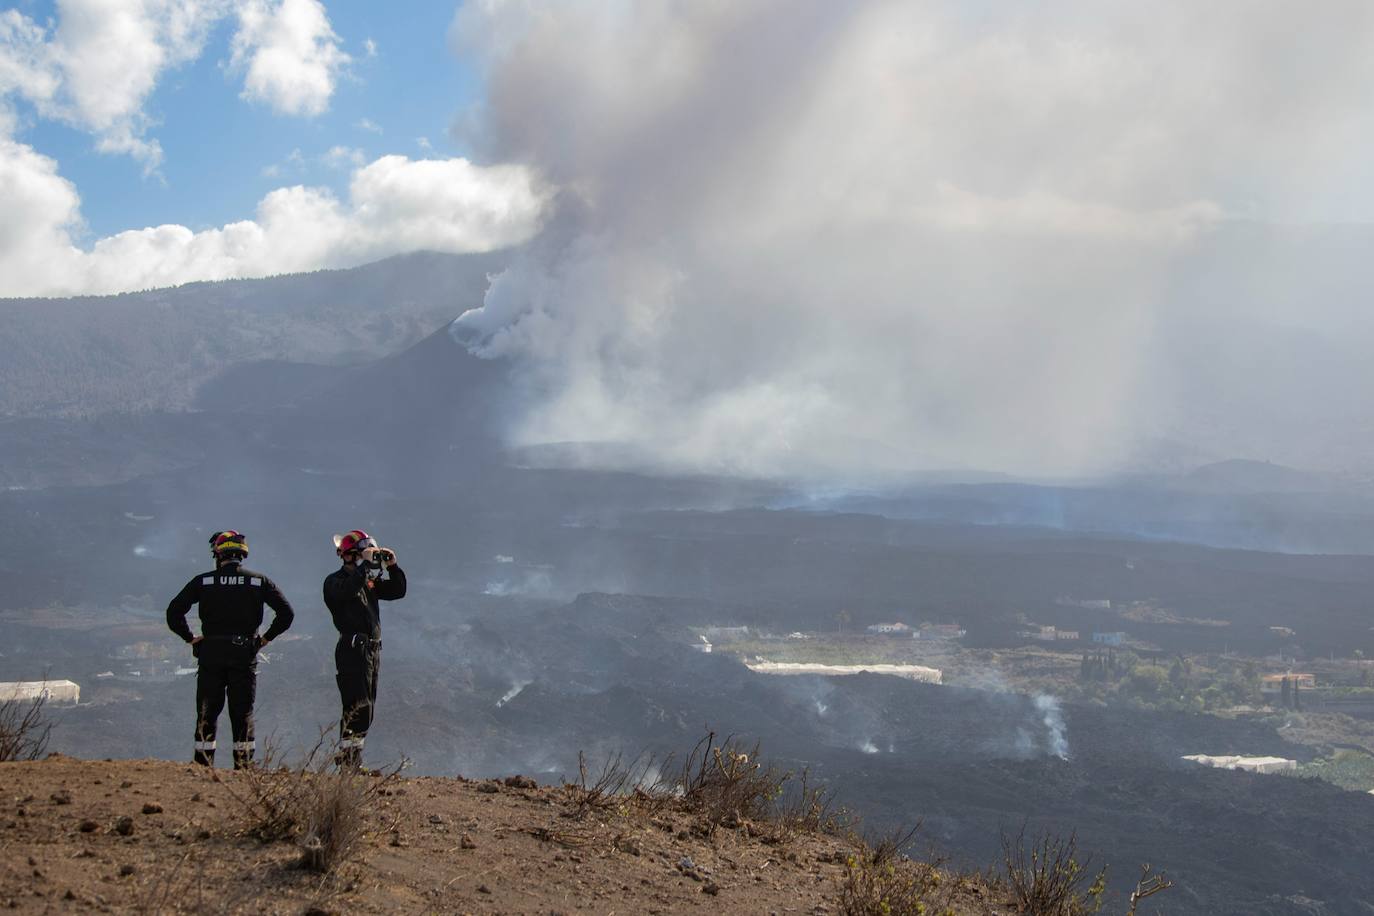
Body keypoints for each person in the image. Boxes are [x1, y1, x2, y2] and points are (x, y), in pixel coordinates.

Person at [166, 530, 295, 768]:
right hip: (244, 653)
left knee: (207, 712)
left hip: (211, 654)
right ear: (242, 554)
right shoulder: (258, 581)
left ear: (218, 553)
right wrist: (264, 639)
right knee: (242, 713)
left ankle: (203, 767)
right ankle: (243, 768)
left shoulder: (203, 581)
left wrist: (191, 638)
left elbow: (173, 612)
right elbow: (286, 614)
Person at [323, 529, 406, 767]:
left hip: (371, 652)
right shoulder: (334, 582)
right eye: (362, 555)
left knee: (367, 709)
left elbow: (398, 591)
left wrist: (393, 566)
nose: (367, 560)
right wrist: (363, 569)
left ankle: (353, 759)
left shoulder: (367, 583)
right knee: (356, 706)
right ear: (349, 555)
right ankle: (349, 764)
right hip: (352, 650)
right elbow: (347, 591)